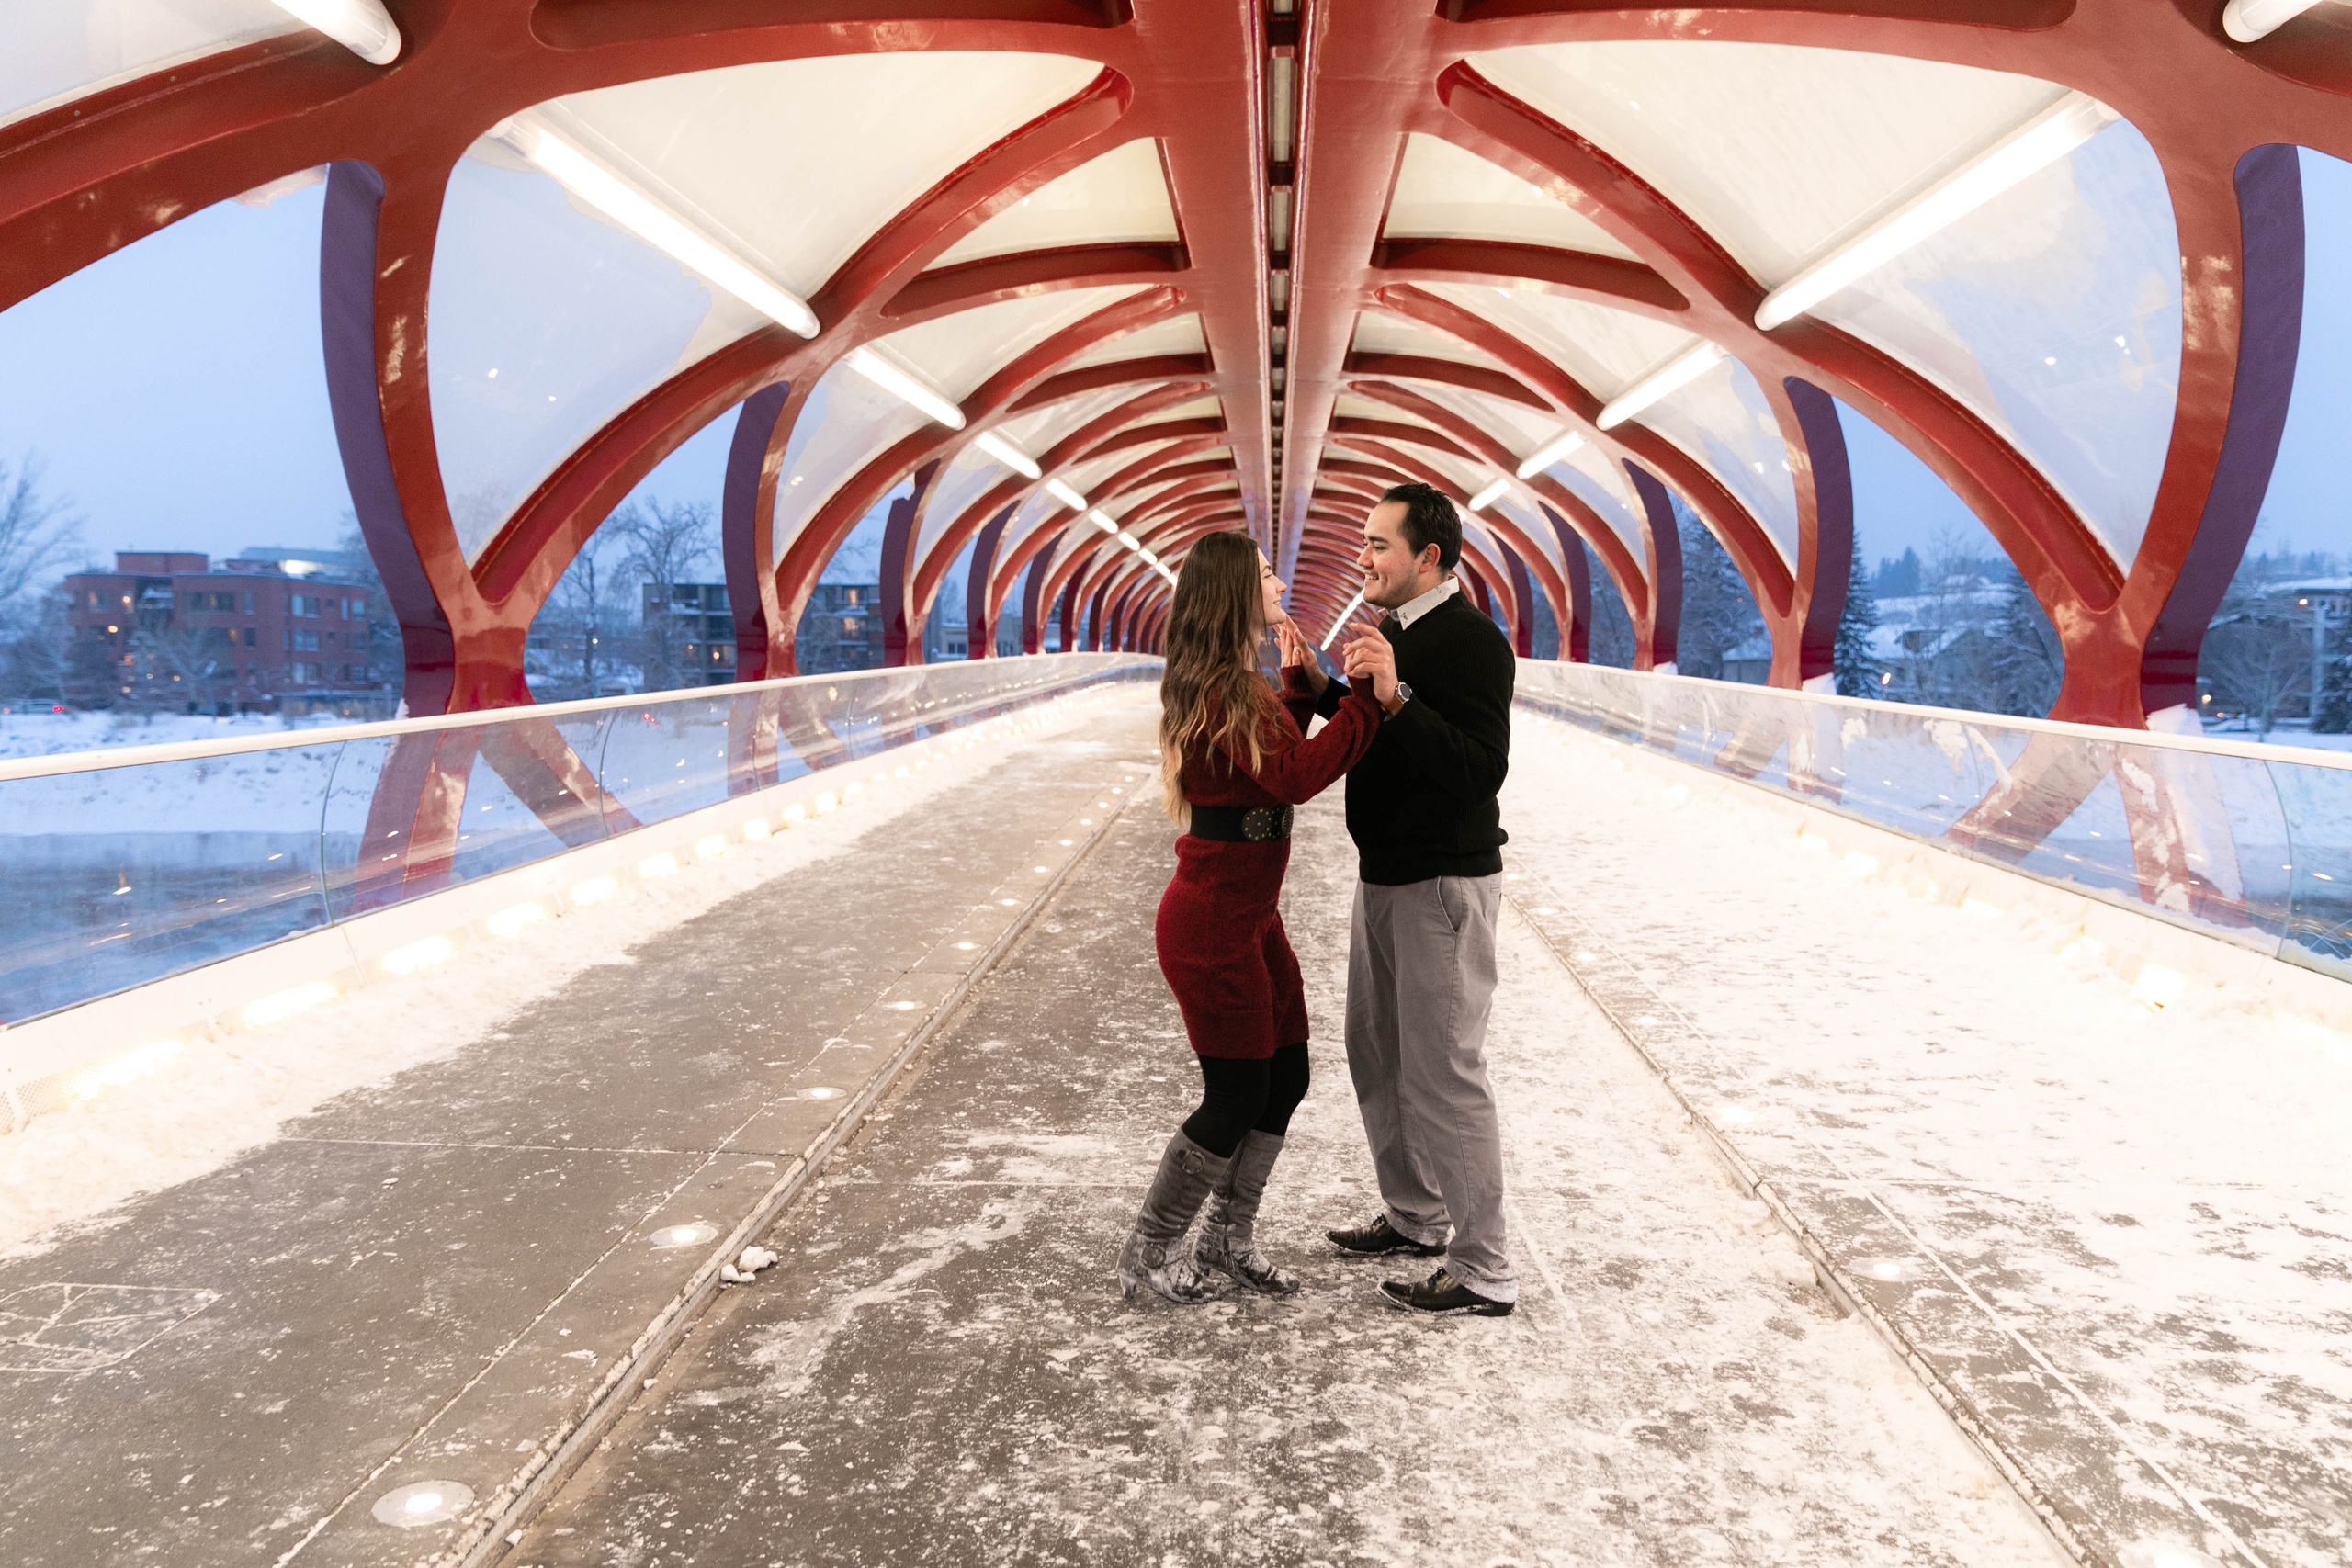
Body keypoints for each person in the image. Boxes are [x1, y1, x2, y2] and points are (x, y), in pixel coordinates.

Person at [1120, 530, 1399, 1304]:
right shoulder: (1217, 687)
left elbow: (1268, 749)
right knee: (1237, 1091)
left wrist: (1304, 689)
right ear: (1233, 591)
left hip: (1250, 917)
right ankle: (1150, 1248)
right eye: (1267, 573)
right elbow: (1294, 774)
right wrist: (1367, 707)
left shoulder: (1234, 685)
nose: (1279, 580)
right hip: (1211, 924)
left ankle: (1228, 1239)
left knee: (1288, 1071)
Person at [1292, 483, 1520, 1317]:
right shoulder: (1391, 635)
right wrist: (1320, 687)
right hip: (1382, 876)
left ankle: (1484, 1266)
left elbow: (1477, 768)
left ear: (1429, 557)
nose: (1364, 559)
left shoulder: (1472, 643)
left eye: (1379, 545)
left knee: (1445, 1073)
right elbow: (1375, 738)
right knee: (1377, 1054)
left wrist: (1397, 698)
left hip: (1440, 885)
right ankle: (1418, 1215)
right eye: (1362, 542)